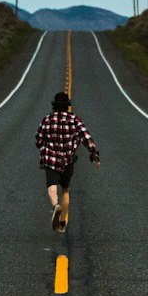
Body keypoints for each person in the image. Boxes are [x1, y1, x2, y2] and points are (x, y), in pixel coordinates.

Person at [35, 90, 100, 233]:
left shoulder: (47, 120)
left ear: (54, 105)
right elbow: (86, 136)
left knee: (52, 186)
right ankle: (62, 222)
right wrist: (93, 152)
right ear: (67, 106)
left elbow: (38, 139)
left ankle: (55, 205)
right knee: (65, 189)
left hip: (51, 159)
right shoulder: (74, 120)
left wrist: (44, 144)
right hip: (68, 160)